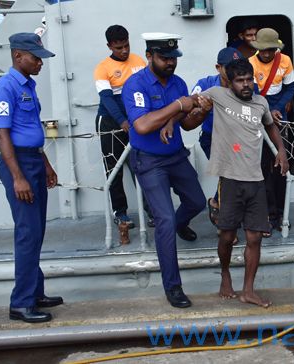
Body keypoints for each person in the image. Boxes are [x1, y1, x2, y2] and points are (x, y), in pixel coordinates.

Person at [180, 59, 289, 308]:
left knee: (254, 238)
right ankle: (226, 275)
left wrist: (280, 151)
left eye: (249, 79)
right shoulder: (217, 94)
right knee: (227, 236)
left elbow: (271, 128)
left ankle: (248, 290)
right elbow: (187, 111)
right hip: (229, 180)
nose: (246, 84)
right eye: (240, 81)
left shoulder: (261, 102)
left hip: (255, 180)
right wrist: (178, 117)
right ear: (229, 82)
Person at [122, 32, 206, 308]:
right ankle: (173, 287)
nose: (170, 63)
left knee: (196, 201)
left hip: (176, 156)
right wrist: (177, 106)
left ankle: (181, 223)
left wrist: (198, 111)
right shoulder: (135, 85)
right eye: (164, 58)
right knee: (165, 220)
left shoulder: (178, 83)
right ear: (149, 56)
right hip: (149, 161)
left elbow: (188, 123)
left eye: (173, 58)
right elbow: (143, 126)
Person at [0, 33, 63, 323]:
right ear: (18, 56)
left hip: (32, 159)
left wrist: (45, 163)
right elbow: (2, 134)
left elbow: (30, 129)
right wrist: (17, 177)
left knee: (36, 232)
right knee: (27, 233)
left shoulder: (27, 86)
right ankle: (21, 303)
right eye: (35, 57)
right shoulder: (5, 88)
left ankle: (35, 292)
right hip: (17, 164)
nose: (40, 63)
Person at [94, 25, 154, 230]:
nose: (124, 51)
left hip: (136, 120)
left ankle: (152, 211)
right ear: (109, 46)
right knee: (114, 170)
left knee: (143, 166)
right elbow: (107, 100)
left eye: (126, 45)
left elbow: (146, 89)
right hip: (111, 122)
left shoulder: (139, 62)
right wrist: (123, 122)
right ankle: (120, 213)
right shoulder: (102, 68)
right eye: (119, 47)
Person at [190, 47, 245, 235]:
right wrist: (202, 107)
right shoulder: (205, 84)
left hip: (238, 140)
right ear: (218, 67)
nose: (235, 72)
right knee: (229, 175)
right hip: (212, 139)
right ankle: (226, 225)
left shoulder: (245, 85)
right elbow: (191, 106)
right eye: (230, 67)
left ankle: (216, 205)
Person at [249, 28, 294, 236]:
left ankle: (281, 214)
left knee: (281, 168)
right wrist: (268, 111)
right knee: (261, 170)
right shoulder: (249, 64)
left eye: (270, 50)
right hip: (258, 114)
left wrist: (280, 107)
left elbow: (290, 89)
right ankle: (267, 214)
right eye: (263, 50)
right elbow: (252, 94)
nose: (266, 54)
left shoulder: (285, 61)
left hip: (279, 116)